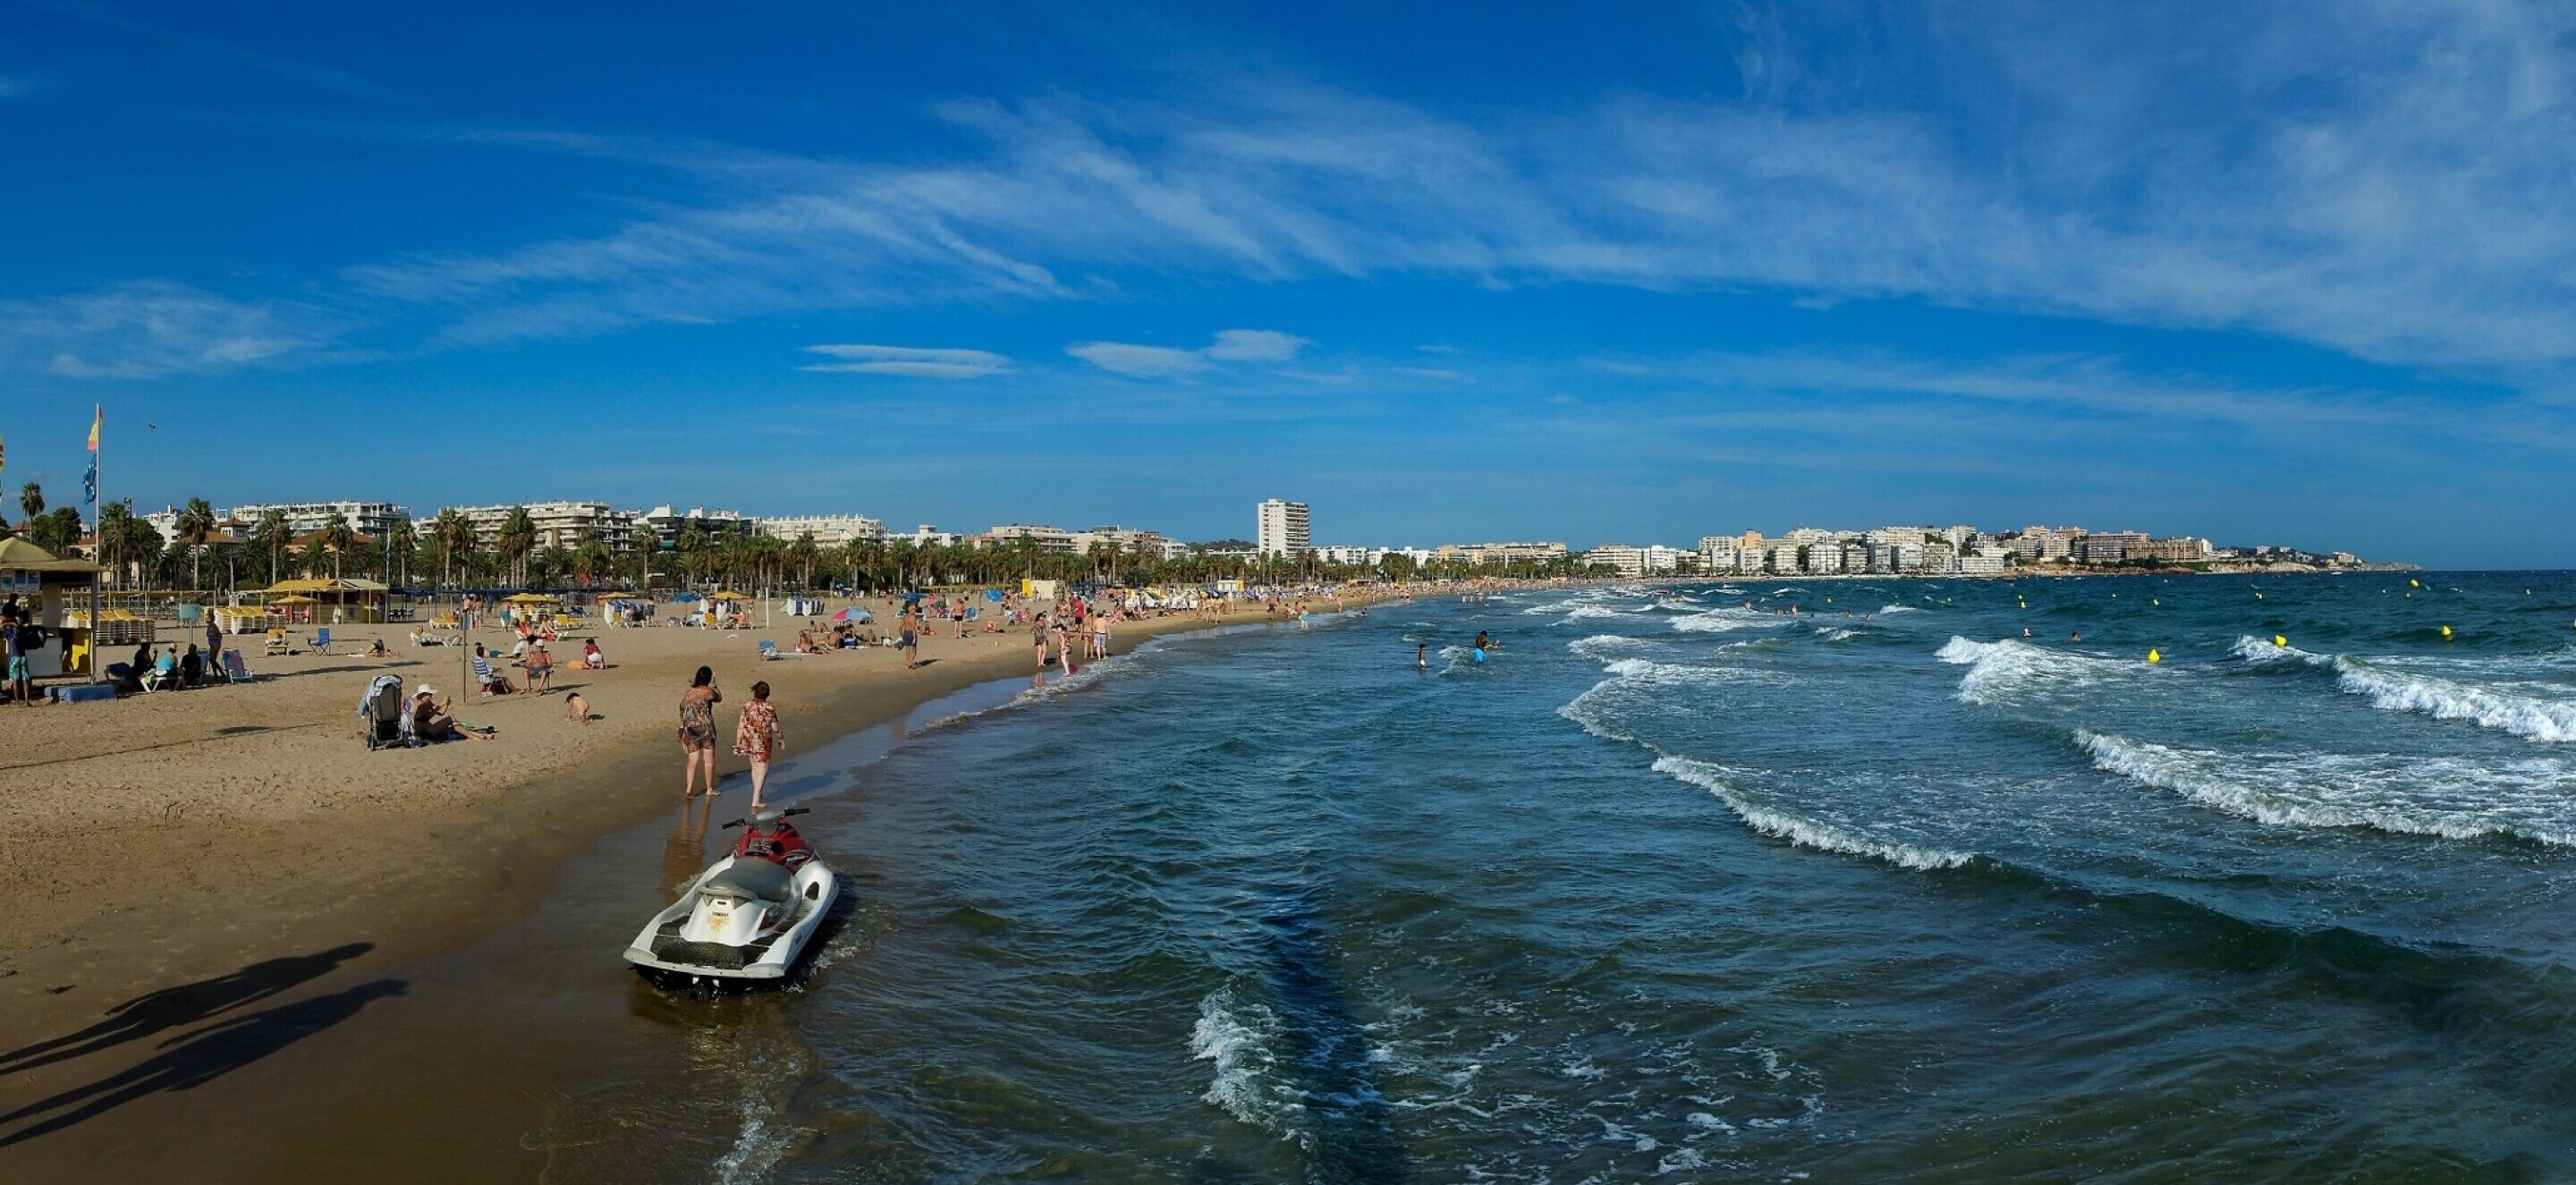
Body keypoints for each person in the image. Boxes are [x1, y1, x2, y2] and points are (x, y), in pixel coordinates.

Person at [733, 680, 783, 808]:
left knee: (755, 769)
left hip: (749, 740)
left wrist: (738, 742)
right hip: (763, 743)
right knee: (762, 771)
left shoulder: (746, 706)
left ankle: (758, 792)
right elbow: (775, 727)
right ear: (767, 694)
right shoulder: (769, 709)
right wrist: (781, 740)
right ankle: (756, 799)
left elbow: (741, 725)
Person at [679, 665, 722, 797]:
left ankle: (689, 788)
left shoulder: (688, 693)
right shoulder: (708, 691)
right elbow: (719, 698)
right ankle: (709, 789)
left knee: (693, 759)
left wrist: (683, 725)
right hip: (706, 727)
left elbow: (682, 709)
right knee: (708, 760)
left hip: (691, 727)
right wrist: (714, 684)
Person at [411, 687, 490, 742]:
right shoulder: (419, 704)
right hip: (424, 733)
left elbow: (440, 713)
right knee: (450, 718)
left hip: (430, 729)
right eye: (429, 694)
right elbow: (429, 715)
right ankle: (473, 737)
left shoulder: (428, 703)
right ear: (423, 694)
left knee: (454, 724)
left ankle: (478, 735)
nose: (431, 695)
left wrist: (447, 705)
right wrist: (442, 703)